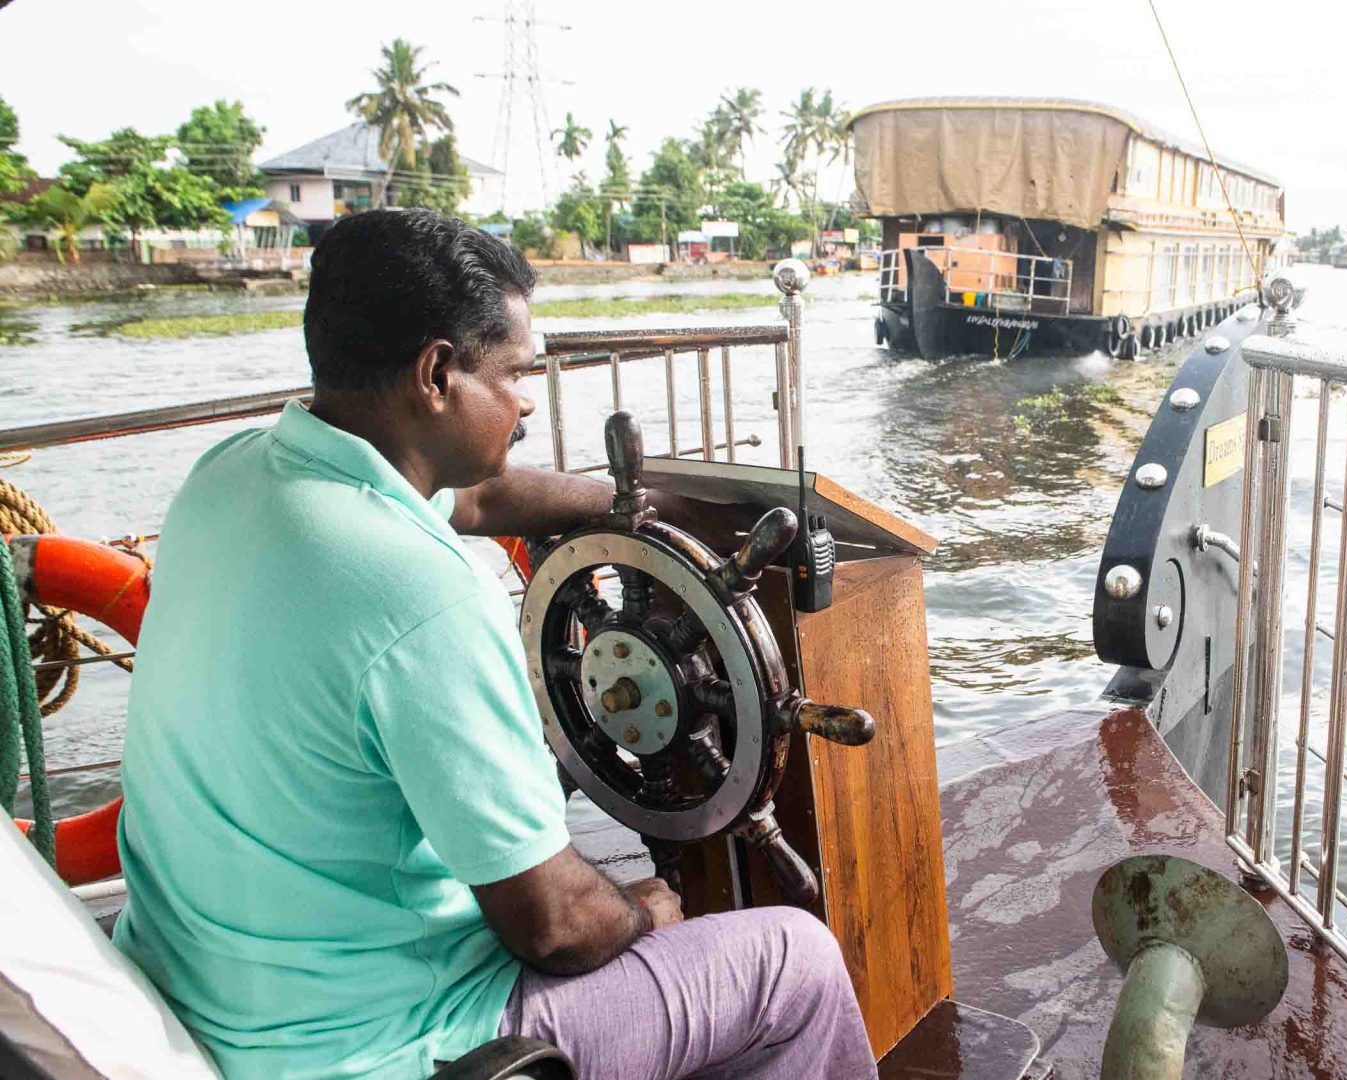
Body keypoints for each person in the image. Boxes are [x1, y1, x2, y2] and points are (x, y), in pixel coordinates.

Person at [112, 208, 876, 1080]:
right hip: (377, 1046)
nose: (523, 403)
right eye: (516, 375)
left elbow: (472, 501)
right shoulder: (420, 596)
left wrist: (626, 509)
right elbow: (553, 926)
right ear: (437, 373)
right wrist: (646, 911)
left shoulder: (233, 475)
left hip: (207, 992)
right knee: (794, 962)